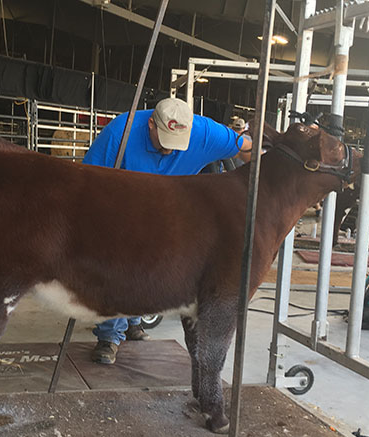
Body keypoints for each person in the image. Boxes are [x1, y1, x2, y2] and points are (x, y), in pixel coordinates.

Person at [83, 97, 251, 364]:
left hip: (167, 214)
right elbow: (87, 179)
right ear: (151, 124)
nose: (168, 151)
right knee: (119, 267)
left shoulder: (205, 132)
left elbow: (245, 146)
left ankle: (133, 321)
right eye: (163, 142)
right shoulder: (120, 133)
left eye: (176, 145)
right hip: (123, 209)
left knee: (152, 269)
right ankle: (109, 336)